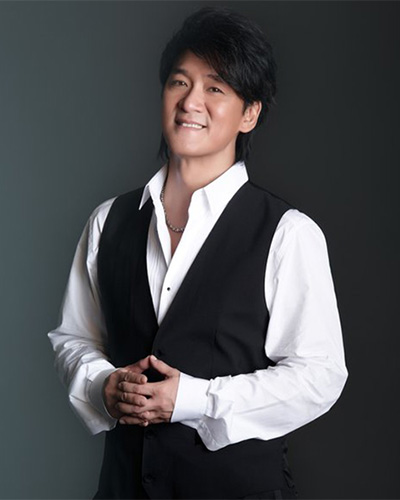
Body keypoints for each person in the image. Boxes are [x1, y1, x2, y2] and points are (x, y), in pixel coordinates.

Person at [48, 6, 348, 499]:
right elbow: (74, 337)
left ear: (249, 113)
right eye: (179, 82)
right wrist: (103, 385)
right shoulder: (109, 221)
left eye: (216, 88)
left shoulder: (288, 233)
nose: (191, 101)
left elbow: (319, 376)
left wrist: (195, 399)